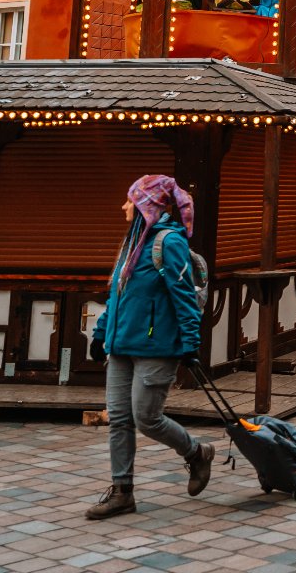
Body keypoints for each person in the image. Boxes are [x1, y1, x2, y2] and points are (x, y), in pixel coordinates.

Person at [86, 176, 214, 520]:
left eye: (130, 200)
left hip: (157, 346)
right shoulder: (131, 243)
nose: (124, 206)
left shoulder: (167, 242)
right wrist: (100, 334)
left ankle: (197, 453)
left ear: (147, 206)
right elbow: (118, 294)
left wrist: (190, 344)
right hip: (121, 345)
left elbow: (183, 296)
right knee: (119, 421)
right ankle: (122, 492)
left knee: (147, 417)